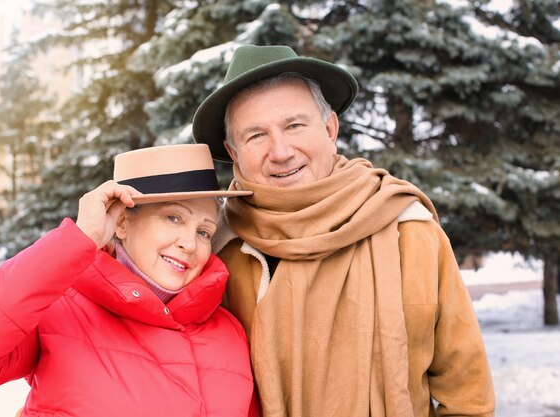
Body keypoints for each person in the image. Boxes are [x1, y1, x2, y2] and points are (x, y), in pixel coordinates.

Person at [191, 45, 495, 416]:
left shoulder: (407, 229)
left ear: (330, 128)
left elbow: (467, 395)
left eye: (294, 125)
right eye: (256, 136)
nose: (281, 151)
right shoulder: (216, 249)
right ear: (233, 152)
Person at [0, 144, 258, 417]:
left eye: (203, 231)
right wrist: (80, 238)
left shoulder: (229, 331)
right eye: (173, 217)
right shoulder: (61, 311)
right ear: (121, 224)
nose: (190, 243)